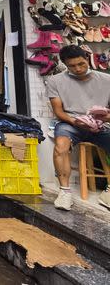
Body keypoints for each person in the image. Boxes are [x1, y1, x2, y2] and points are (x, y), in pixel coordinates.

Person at [47, 45, 110, 211]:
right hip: (71, 123)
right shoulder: (55, 81)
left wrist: (103, 118)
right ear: (66, 65)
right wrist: (76, 122)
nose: (78, 69)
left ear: (87, 58)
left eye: (81, 64)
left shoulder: (106, 80)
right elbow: (59, 112)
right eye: (72, 66)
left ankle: (109, 192)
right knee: (61, 146)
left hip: (100, 124)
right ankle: (65, 192)